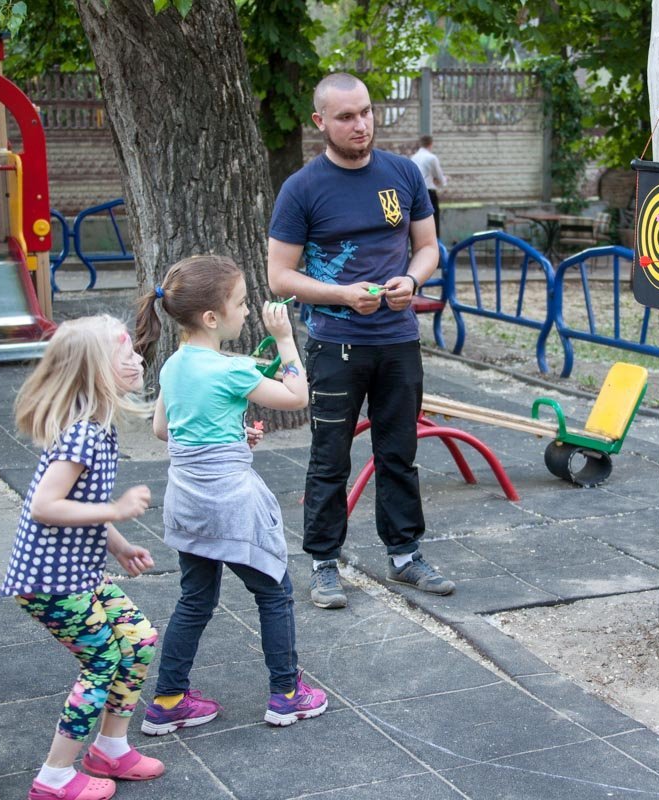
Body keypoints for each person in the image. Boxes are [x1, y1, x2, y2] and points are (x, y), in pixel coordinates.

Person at [267, 72, 455, 610]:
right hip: (335, 342)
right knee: (330, 459)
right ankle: (325, 564)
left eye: (366, 112)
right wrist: (342, 294)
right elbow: (280, 276)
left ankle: (405, 556)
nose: (360, 124)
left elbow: (427, 248)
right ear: (320, 122)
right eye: (346, 116)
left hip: (397, 339)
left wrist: (412, 281)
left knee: (399, 452)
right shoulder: (302, 188)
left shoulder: (401, 173)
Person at [134, 255, 328, 731]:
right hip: (231, 504)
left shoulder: (174, 367)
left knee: (195, 600)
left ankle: (167, 700)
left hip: (188, 502)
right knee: (274, 592)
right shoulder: (233, 370)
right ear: (211, 318)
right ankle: (286, 694)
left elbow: (164, 430)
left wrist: (233, 436)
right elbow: (298, 397)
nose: (247, 312)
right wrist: (285, 341)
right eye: (241, 304)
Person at [0, 315, 163, 800]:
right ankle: (54, 776)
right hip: (50, 582)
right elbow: (46, 507)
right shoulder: (82, 436)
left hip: (78, 574)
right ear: (95, 370)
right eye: (125, 353)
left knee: (138, 638)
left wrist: (117, 543)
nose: (136, 359)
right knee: (101, 660)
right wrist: (115, 509)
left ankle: (110, 747)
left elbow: (81, 504)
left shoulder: (97, 428)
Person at [410, 134, 448, 240]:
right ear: (431, 144)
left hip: (415, 194)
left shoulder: (413, 158)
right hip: (429, 193)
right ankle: (435, 247)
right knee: (433, 222)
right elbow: (439, 177)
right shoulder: (432, 158)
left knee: (417, 222)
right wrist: (443, 180)